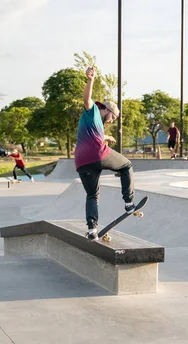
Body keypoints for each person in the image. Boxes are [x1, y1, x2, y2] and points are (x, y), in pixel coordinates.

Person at [76, 66, 135, 241]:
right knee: (126, 165)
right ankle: (128, 202)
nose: (112, 120)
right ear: (107, 109)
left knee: (92, 195)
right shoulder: (93, 110)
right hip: (98, 154)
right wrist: (91, 79)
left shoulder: (96, 124)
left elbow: (98, 135)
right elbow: (87, 99)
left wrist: (107, 136)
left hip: (81, 161)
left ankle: (92, 229)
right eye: (113, 117)